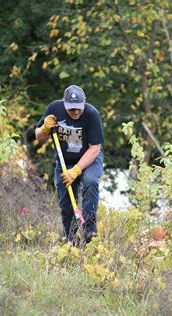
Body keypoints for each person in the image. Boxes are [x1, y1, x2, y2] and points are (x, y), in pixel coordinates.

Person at [35, 85, 104, 245]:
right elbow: (39, 136)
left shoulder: (92, 114)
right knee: (66, 202)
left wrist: (77, 170)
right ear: (64, 104)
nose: (75, 112)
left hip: (89, 159)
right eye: (71, 109)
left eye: (78, 108)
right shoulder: (54, 108)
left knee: (91, 182)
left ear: (84, 103)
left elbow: (95, 149)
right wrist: (45, 128)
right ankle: (71, 240)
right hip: (65, 161)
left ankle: (89, 230)